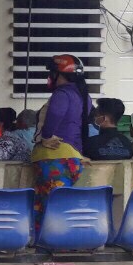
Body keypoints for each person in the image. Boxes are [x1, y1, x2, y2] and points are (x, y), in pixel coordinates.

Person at [31, 54, 92, 220]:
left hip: (54, 159)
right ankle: (55, 244)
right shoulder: (84, 96)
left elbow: (56, 114)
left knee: (49, 208)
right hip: (74, 158)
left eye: (52, 72)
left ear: (59, 74)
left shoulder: (62, 94)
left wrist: (46, 136)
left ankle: (52, 244)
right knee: (62, 205)